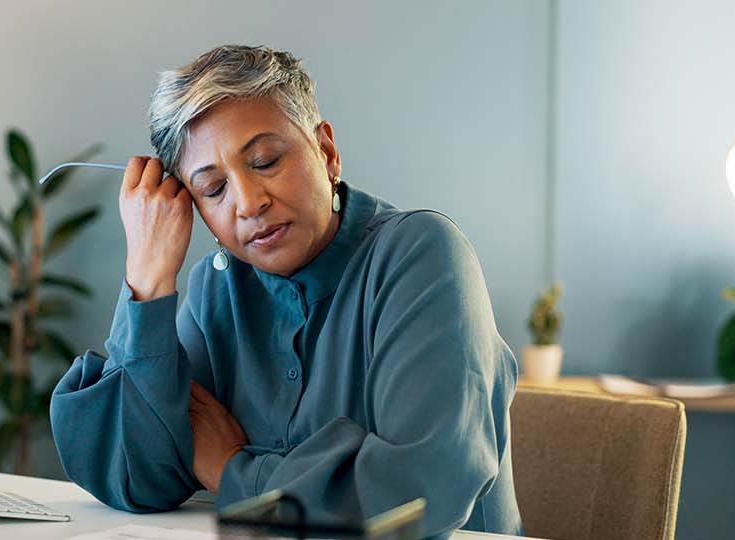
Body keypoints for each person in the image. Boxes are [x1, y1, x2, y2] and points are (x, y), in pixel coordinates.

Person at [50, 44, 522, 537]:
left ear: (327, 151)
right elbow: (138, 479)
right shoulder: (219, 285)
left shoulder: (423, 255)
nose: (249, 203)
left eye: (266, 161)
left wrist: (231, 468)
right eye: (213, 190)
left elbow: (417, 496)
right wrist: (147, 279)